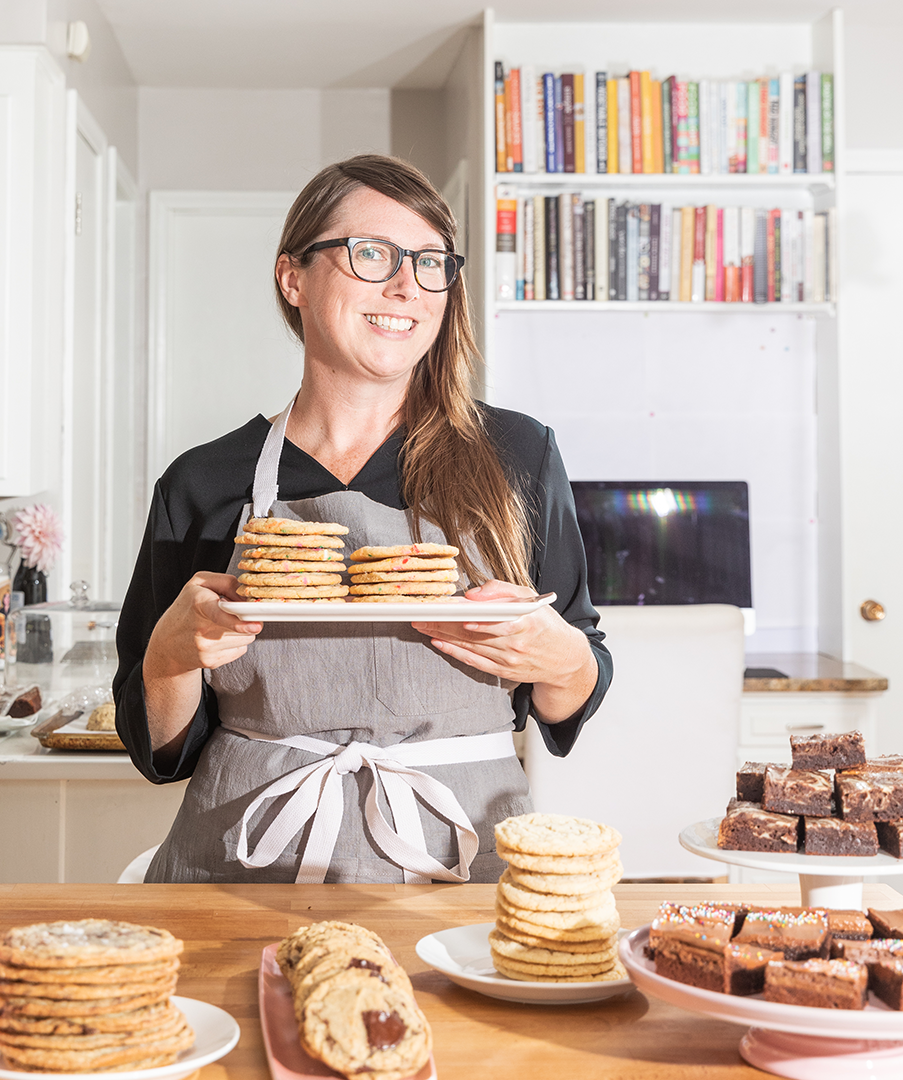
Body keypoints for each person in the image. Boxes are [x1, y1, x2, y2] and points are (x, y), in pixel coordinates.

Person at [114, 154, 612, 884]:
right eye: (372, 254)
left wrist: (561, 657)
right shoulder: (203, 481)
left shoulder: (516, 456)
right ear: (293, 277)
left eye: (431, 261)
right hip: (245, 868)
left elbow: (575, 681)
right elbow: (160, 749)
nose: (407, 285)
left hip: (460, 852)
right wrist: (169, 656)